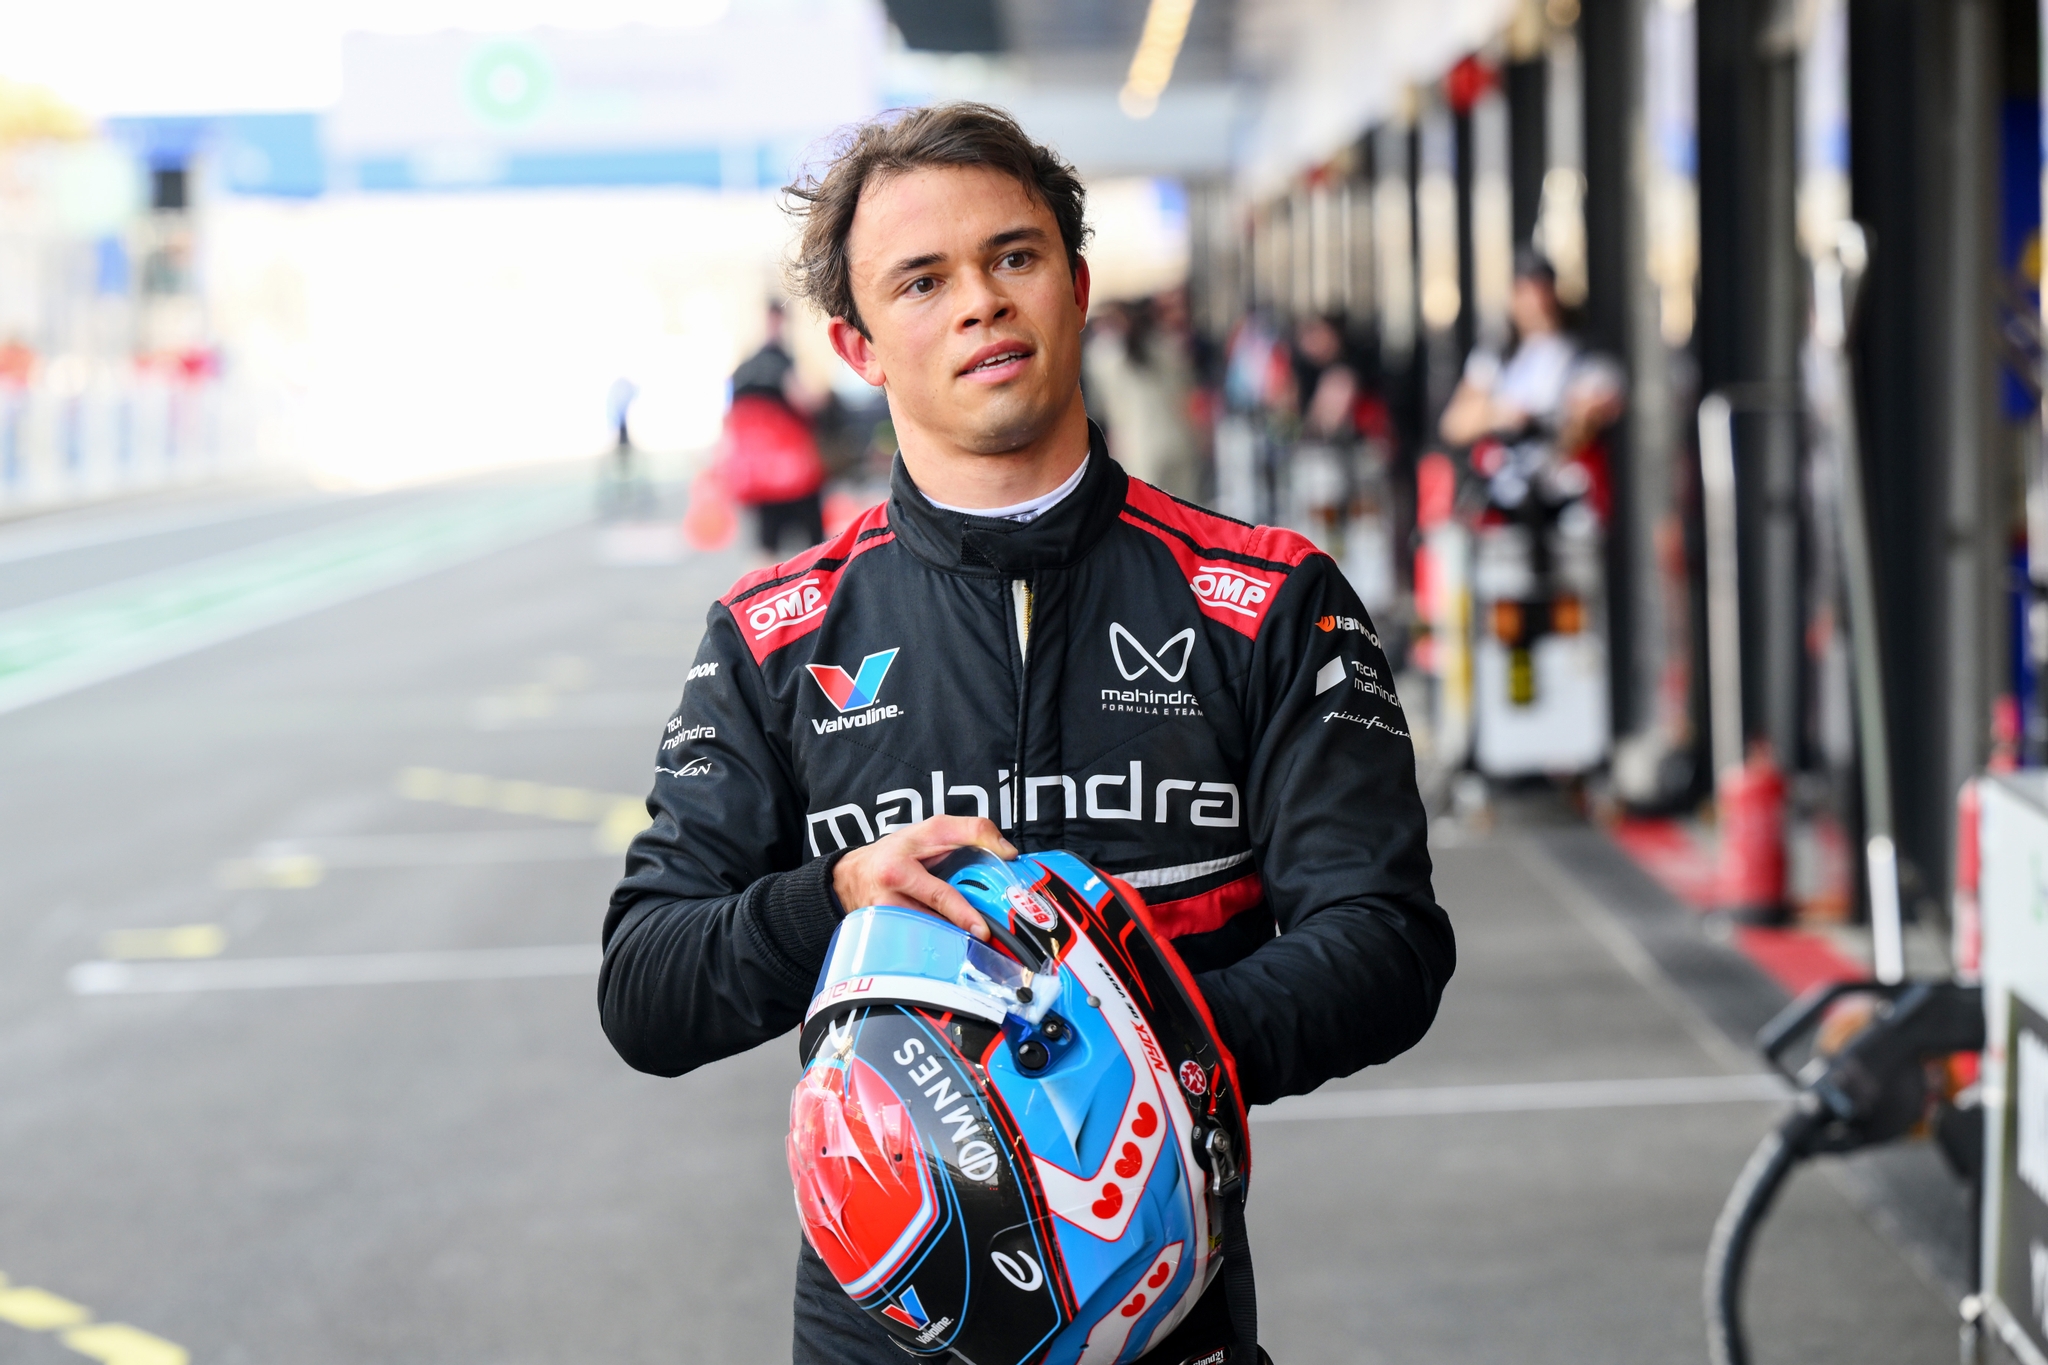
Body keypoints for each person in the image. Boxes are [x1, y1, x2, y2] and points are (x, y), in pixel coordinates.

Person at [599, 103, 1454, 1364]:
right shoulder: (775, 636)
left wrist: (1138, 1063)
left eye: (1013, 258)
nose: (980, 304)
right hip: (873, 1334)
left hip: (1173, 1322)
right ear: (859, 344)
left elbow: (1384, 940)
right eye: (922, 280)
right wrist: (833, 897)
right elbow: (645, 990)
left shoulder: (1267, 601)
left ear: (1075, 285)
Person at [721, 301, 829, 553]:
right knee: (815, 542)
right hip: (793, 473)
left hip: (757, 474)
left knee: (766, 544)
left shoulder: (742, 370)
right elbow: (808, 403)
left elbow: (728, 420)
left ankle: (765, 591)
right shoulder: (782, 363)